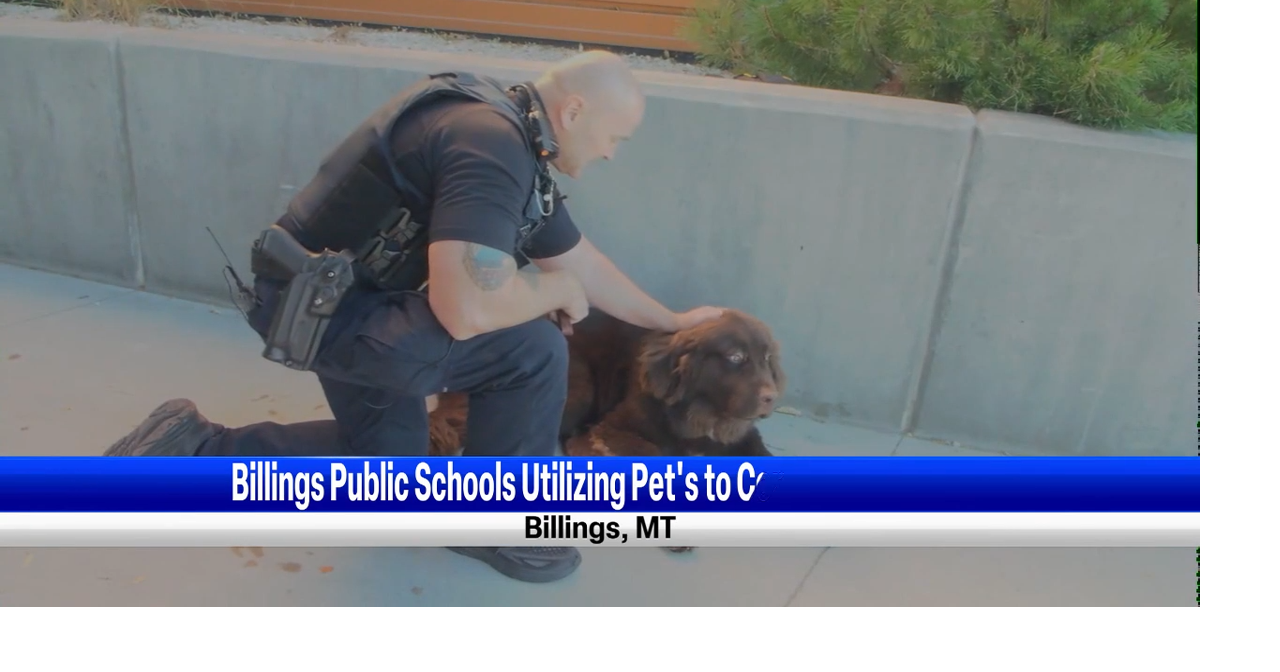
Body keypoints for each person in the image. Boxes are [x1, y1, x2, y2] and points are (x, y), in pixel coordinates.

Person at [101, 51, 724, 584]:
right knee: (532, 346)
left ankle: (189, 447)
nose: (613, 155)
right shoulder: (492, 145)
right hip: (329, 311)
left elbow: (578, 259)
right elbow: (468, 307)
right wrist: (550, 290)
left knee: (390, 479)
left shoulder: (509, 136)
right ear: (575, 112)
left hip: (334, 302)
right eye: (617, 138)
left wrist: (672, 318)